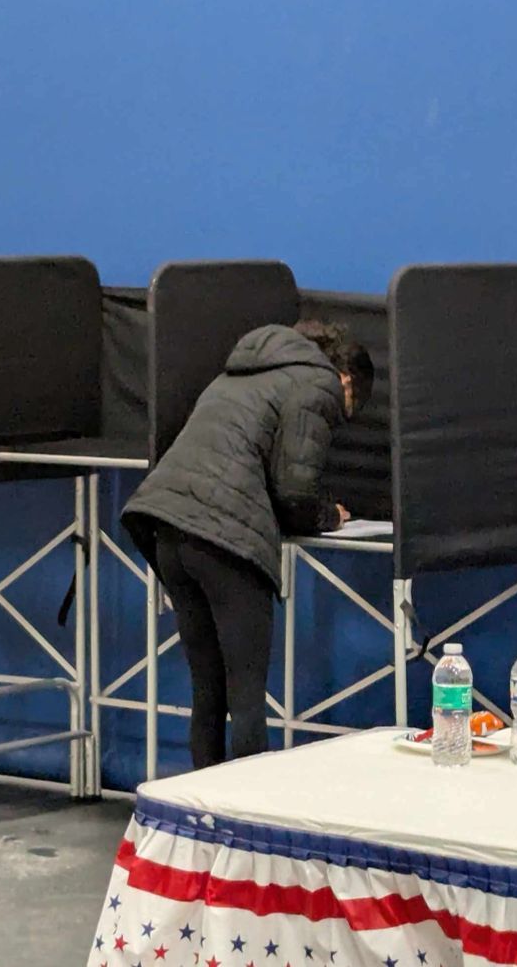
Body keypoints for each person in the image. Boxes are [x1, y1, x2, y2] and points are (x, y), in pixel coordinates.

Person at [122, 320, 374, 769]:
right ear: (347, 380)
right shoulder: (317, 383)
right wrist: (329, 516)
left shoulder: (241, 372)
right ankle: (245, 822)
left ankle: (202, 819)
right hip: (225, 542)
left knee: (208, 692)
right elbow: (295, 493)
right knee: (247, 698)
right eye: (348, 408)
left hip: (167, 530)